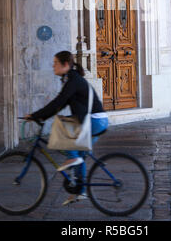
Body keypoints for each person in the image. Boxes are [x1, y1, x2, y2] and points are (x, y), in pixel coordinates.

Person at [24, 50, 108, 205]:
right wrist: (40, 116)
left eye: (56, 63)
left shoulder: (73, 80)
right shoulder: (70, 79)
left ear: (65, 65)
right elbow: (60, 104)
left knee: (62, 125)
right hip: (93, 120)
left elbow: (58, 102)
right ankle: (80, 192)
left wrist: (36, 115)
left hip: (95, 120)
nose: (53, 66)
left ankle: (72, 158)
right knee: (79, 156)